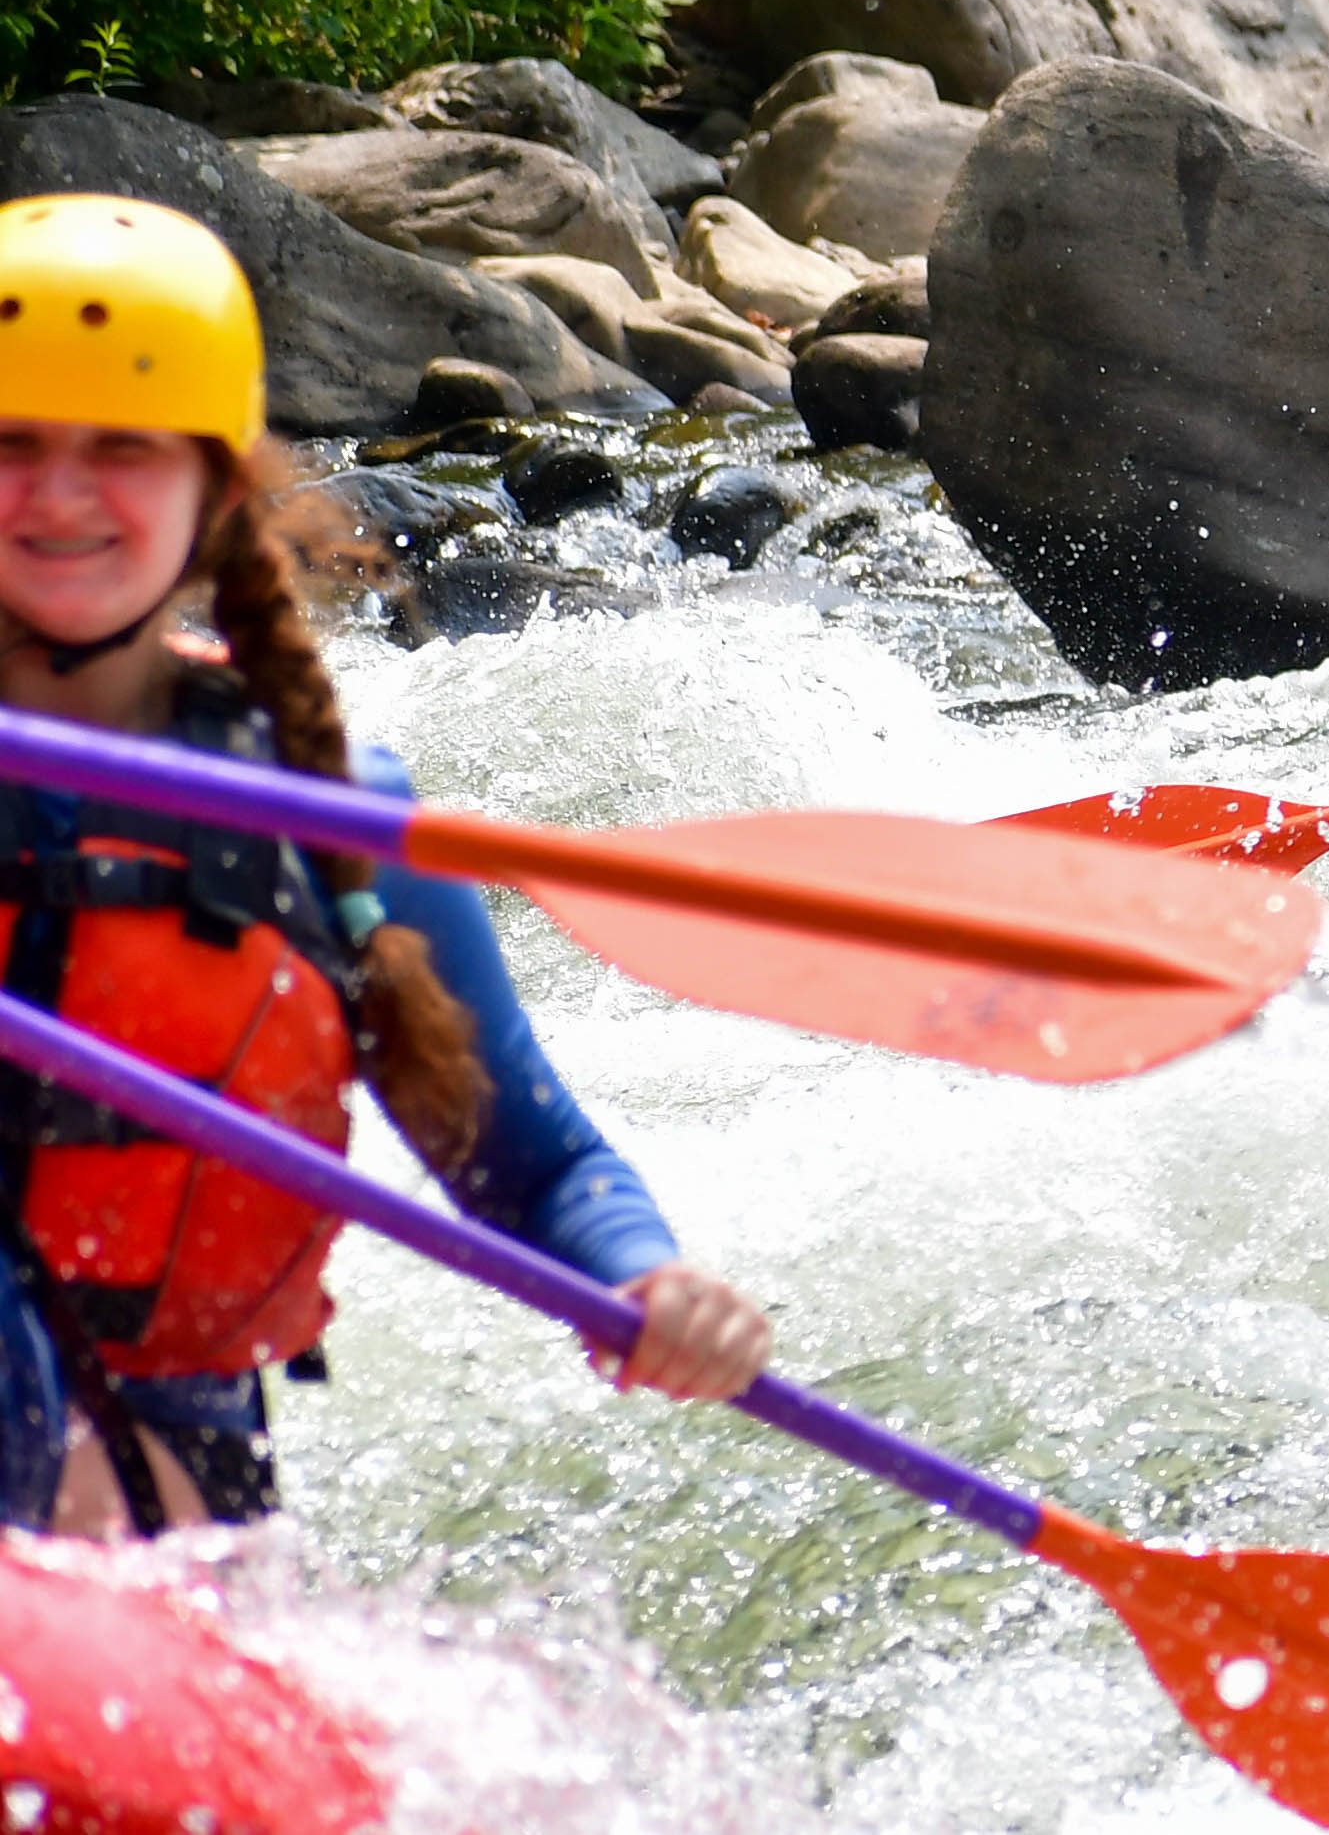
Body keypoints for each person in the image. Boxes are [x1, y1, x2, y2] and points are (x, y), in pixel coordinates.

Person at [0, 195, 770, 1536]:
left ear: (216, 489)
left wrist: (645, 1280)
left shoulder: (332, 820)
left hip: (156, 1490)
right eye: (12, 443)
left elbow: (536, 1167)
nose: (59, 492)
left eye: (120, 446)